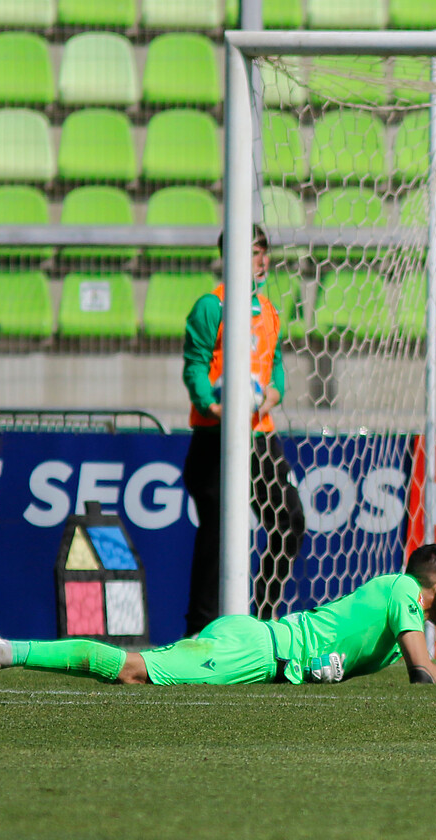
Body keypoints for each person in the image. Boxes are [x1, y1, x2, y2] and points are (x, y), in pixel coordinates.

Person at [0, 544, 436, 687]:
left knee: (141, 666)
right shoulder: (404, 589)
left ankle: (2, 647)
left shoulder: (392, 590)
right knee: (133, 669)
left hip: (255, 637)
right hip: (256, 652)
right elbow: (422, 674)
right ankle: (3, 649)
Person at [181, 226, 306, 636]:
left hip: (259, 438)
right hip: (214, 438)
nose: (262, 259)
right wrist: (211, 405)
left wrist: (274, 393)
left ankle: (260, 619)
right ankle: (199, 630)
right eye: (252, 252)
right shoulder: (210, 306)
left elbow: (277, 369)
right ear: (230, 257)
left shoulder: (268, 310)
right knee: (218, 530)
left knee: (289, 520)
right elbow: (195, 363)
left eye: (264, 251)